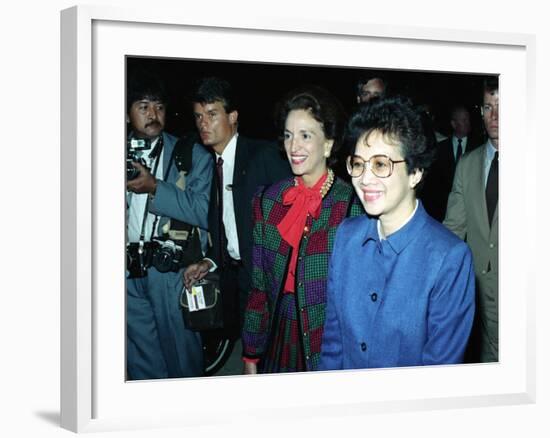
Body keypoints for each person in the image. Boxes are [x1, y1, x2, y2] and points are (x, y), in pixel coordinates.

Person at [319, 96, 475, 371]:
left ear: (415, 172)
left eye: (380, 164)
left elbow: (439, 373)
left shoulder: (449, 258)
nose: (365, 178)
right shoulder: (346, 237)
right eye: (358, 163)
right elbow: (333, 344)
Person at [241, 86, 363, 374]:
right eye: (288, 135)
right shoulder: (267, 201)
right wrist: (250, 356)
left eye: (305, 135)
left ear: (329, 144)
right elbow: (258, 288)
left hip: (328, 340)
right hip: (277, 334)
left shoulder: (352, 206)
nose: (293, 146)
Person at [183, 77, 291, 344]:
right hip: (239, 281)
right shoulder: (214, 165)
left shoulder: (263, 155)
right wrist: (210, 261)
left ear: (232, 116)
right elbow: (229, 226)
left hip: (271, 281)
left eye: (211, 114)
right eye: (198, 116)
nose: (203, 124)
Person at [126, 71, 213, 379]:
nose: (153, 114)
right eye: (144, 106)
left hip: (171, 271)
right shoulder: (105, 153)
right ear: (126, 113)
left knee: (181, 359)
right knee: (140, 364)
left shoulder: (190, 153)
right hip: (127, 274)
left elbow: (205, 211)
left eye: (159, 107)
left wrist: (155, 188)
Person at [443, 77, 499, 363]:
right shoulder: (468, 165)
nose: (495, 116)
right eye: (488, 107)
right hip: (480, 297)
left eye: (502, 106)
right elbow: (453, 228)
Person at [423, 105, 478, 222]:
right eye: (463, 120)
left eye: (468, 119)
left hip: (470, 213)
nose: (468, 123)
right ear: (454, 124)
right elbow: (432, 186)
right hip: (442, 213)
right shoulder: (439, 149)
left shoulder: (478, 148)